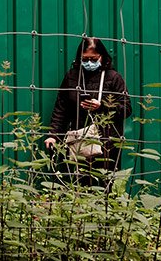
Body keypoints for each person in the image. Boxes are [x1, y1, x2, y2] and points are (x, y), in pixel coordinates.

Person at [44, 37, 131, 179]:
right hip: (78, 139)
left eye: (94, 59)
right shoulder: (72, 77)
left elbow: (126, 108)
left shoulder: (113, 77)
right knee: (79, 181)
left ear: (102, 57)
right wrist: (53, 135)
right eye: (85, 59)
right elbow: (61, 109)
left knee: (105, 183)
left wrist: (102, 106)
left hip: (107, 142)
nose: (89, 63)